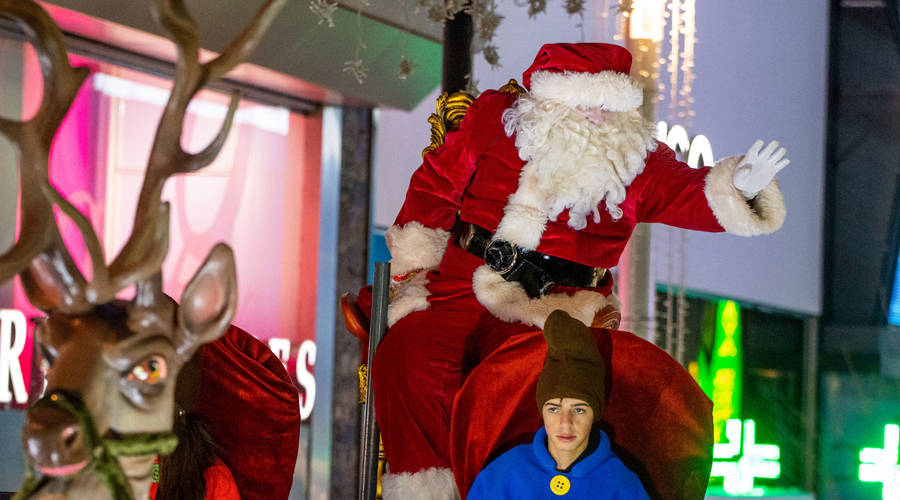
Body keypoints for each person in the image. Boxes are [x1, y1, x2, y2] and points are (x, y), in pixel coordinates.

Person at [370, 42, 789, 499]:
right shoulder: (497, 117)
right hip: (460, 286)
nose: (598, 115)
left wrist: (741, 185)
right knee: (406, 358)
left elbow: (688, 194)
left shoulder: (636, 159)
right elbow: (438, 183)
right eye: (587, 102)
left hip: (557, 309)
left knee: (519, 387)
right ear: (552, 99)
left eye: (610, 106)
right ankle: (427, 491)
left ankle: (498, 490)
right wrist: (410, 264)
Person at [466, 310, 649, 499]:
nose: (565, 423)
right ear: (542, 411)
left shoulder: (622, 483)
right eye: (553, 409)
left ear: (595, 413)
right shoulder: (502, 474)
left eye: (578, 410)